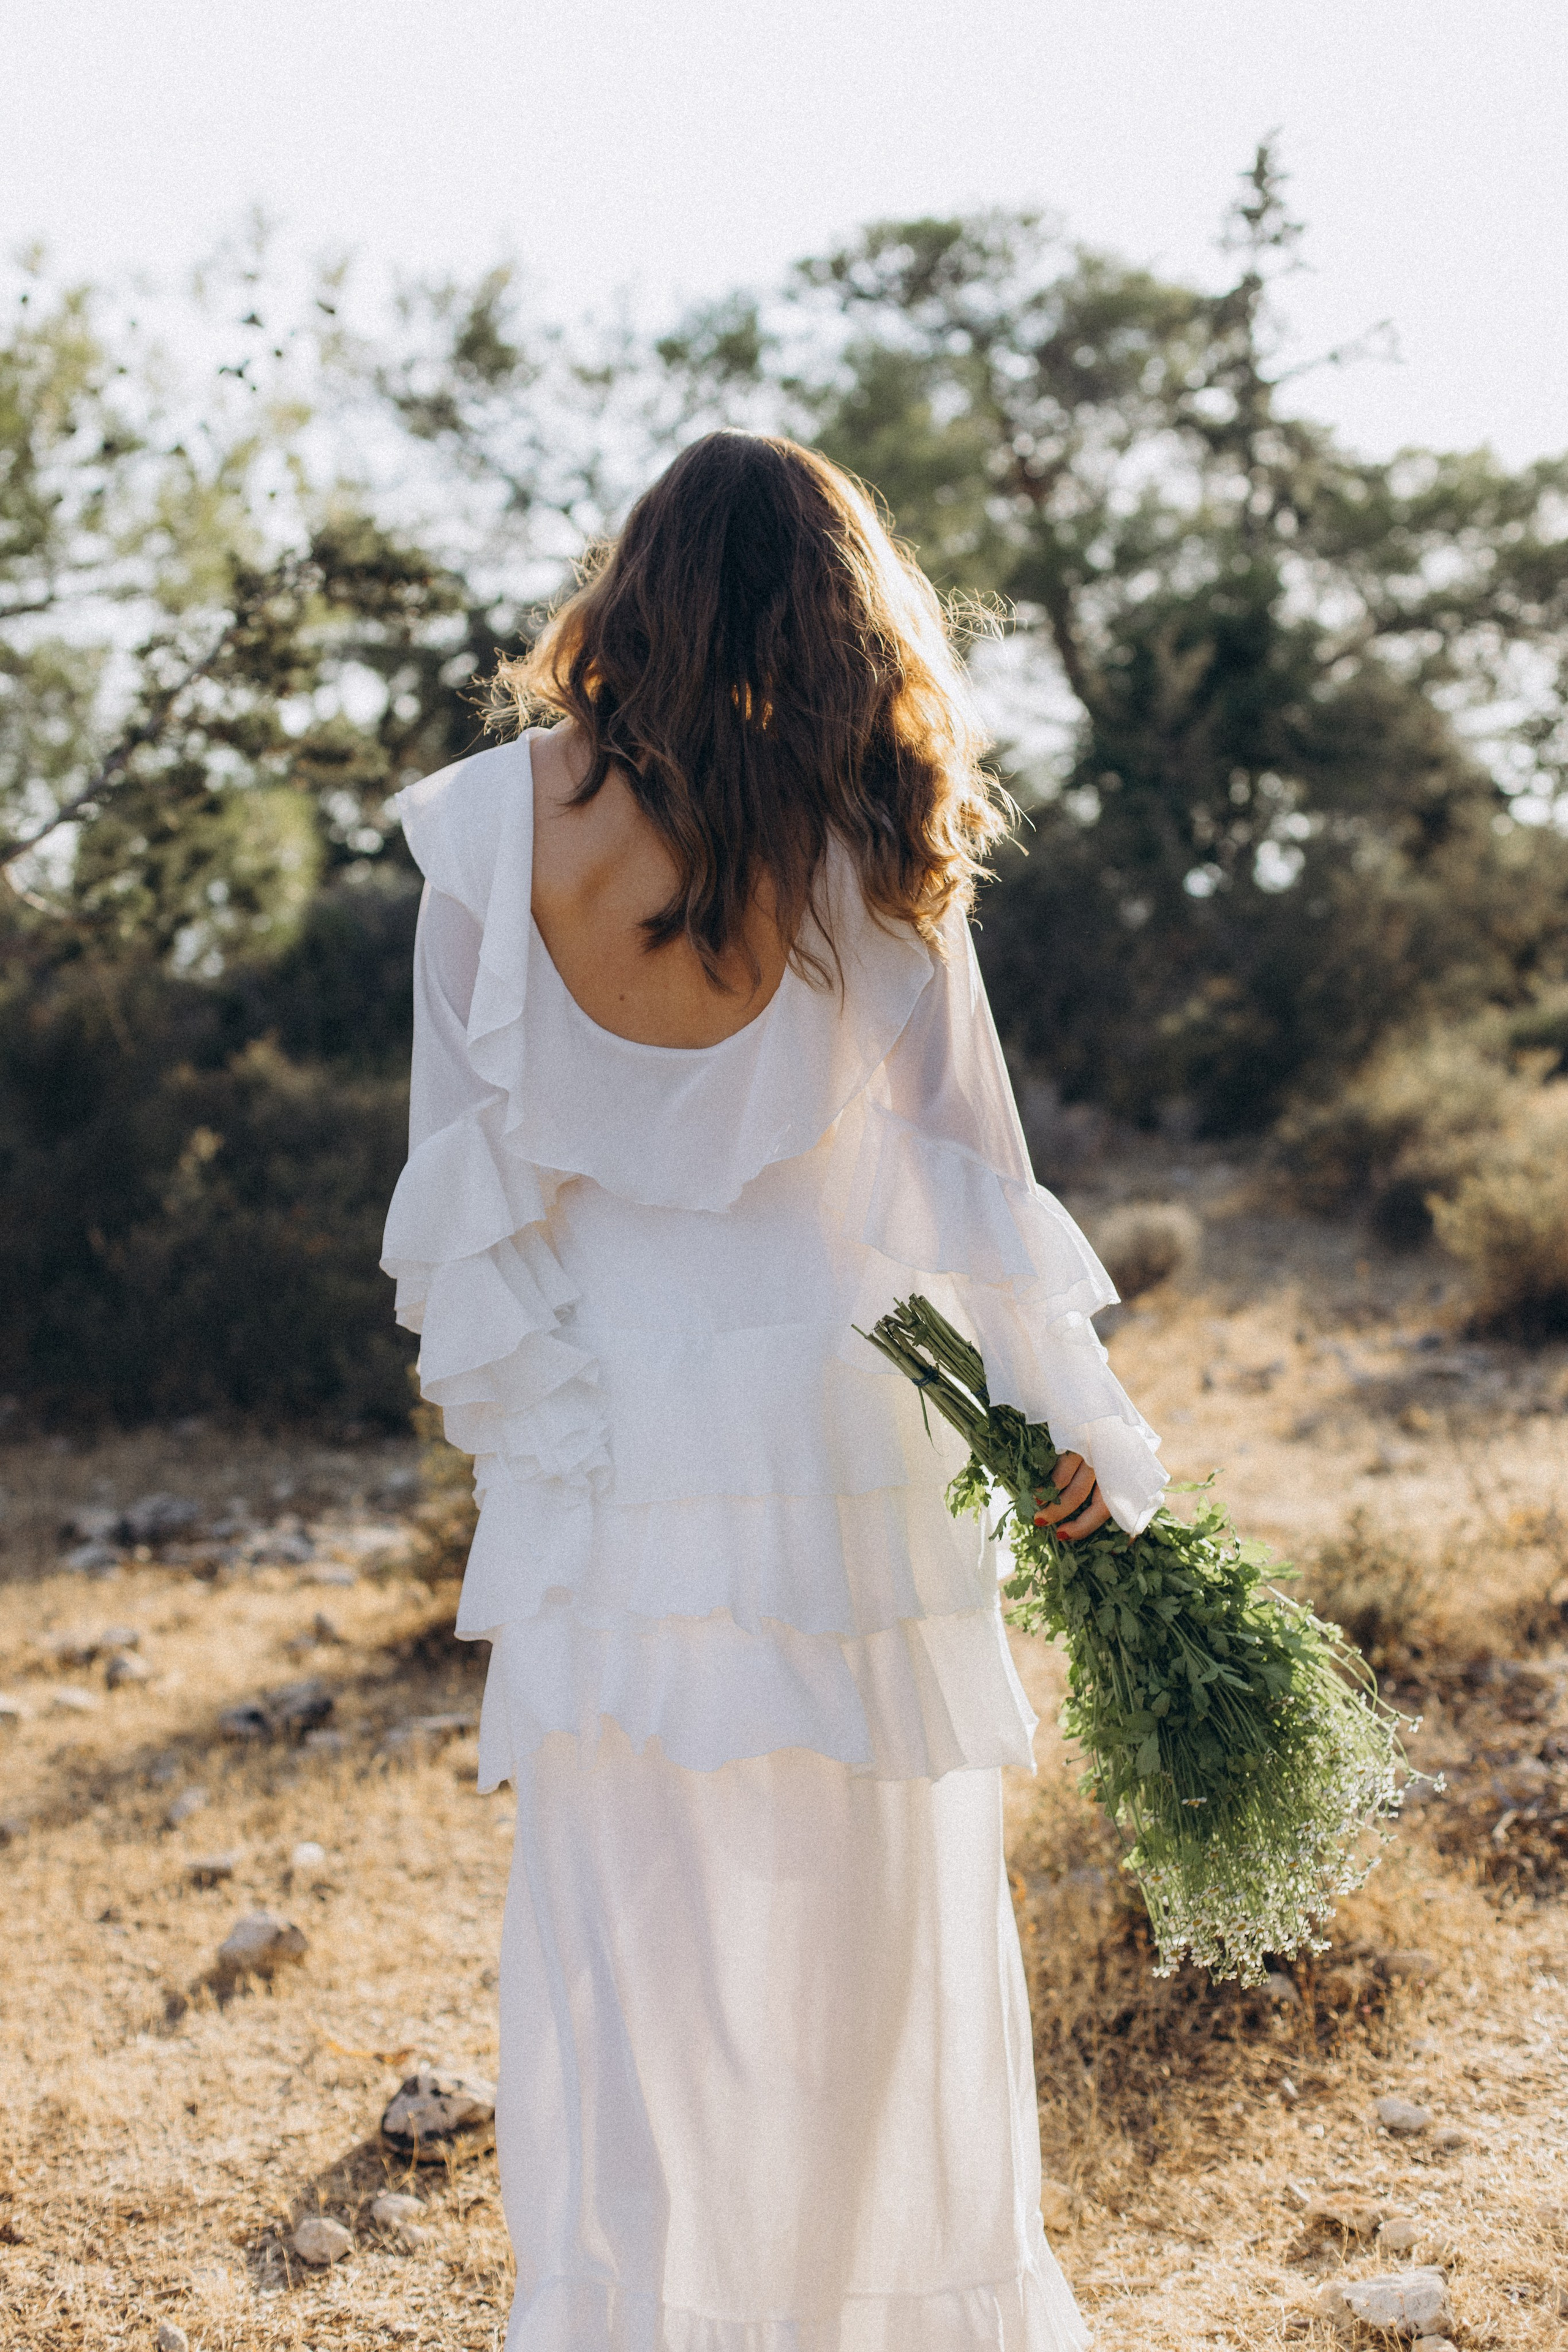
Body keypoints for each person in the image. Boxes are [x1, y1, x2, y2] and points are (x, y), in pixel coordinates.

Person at [380, 432, 1167, 2352]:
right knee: (872, 1937)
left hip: (622, 1441)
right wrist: (1076, 1431)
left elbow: (471, 1210)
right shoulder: (868, 844)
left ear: (629, 585)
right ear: (841, 611)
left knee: (633, 1935)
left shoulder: (497, 832)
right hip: (846, 1435)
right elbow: (977, 1185)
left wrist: (540, 1448)